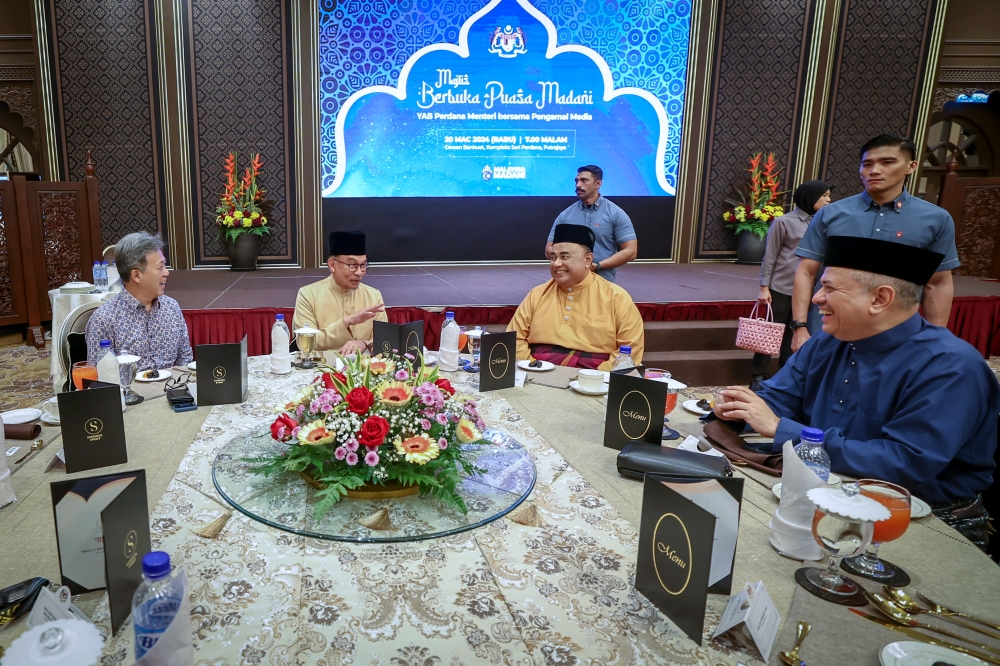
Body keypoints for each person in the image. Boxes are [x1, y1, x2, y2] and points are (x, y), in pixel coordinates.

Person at [714, 236, 997, 548]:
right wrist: (738, 408)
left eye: (830, 288)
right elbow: (779, 396)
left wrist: (781, 428)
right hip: (829, 490)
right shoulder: (829, 340)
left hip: (926, 516)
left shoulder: (951, 366)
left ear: (880, 299)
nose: (817, 298)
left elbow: (905, 463)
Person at [790, 133, 959, 352]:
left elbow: (938, 283)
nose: (874, 170)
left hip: (897, 330)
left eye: (887, 162)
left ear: (911, 166)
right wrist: (800, 328)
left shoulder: (935, 219)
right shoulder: (831, 214)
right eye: (867, 164)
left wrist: (936, 340)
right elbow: (806, 272)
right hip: (831, 326)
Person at [509, 224, 644, 370]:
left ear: (588, 260)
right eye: (553, 258)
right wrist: (532, 367)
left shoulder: (616, 297)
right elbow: (513, 339)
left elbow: (630, 350)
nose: (556, 264)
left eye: (564, 257)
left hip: (595, 379)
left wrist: (594, 379)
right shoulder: (537, 294)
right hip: (539, 372)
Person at [750, 180, 833, 389]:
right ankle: (757, 377)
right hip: (781, 287)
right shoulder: (784, 222)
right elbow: (770, 256)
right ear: (810, 197)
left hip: (809, 291)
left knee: (795, 335)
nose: (829, 200)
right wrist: (764, 286)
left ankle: (784, 379)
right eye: (824, 196)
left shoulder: (824, 223)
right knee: (769, 335)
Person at [86, 232, 193, 371]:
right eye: (160, 267)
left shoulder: (171, 307)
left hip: (173, 389)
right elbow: (101, 378)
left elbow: (185, 360)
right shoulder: (104, 320)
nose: (166, 273)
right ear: (136, 275)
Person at [293, 230, 387, 355]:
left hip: (364, 370)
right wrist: (345, 322)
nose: (359, 272)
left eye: (363, 265)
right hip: (322, 367)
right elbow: (306, 341)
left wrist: (363, 343)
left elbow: (384, 339)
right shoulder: (308, 295)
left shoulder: (374, 295)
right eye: (352, 265)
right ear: (332, 265)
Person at [544, 165, 637, 283]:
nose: (578, 185)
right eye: (577, 181)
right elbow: (549, 249)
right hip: (569, 285)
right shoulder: (565, 215)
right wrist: (570, 264)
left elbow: (631, 251)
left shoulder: (616, 213)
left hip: (603, 284)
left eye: (584, 180)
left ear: (598, 184)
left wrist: (597, 266)